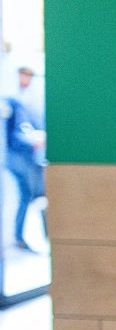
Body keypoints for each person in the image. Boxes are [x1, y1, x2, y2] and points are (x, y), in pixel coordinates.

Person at [5, 65, 44, 252]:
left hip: (28, 156)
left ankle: (23, 237)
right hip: (17, 157)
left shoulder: (28, 100)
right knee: (28, 195)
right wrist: (32, 142)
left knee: (33, 195)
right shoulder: (11, 100)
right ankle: (19, 237)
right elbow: (14, 134)